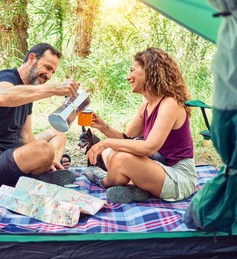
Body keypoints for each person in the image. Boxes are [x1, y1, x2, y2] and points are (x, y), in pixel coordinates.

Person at [84, 47, 197, 204]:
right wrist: (103, 126)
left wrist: (104, 142)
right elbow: (127, 139)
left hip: (179, 177)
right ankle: (137, 188)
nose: (128, 77)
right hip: (158, 166)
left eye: (132, 70)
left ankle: (104, 180)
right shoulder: (146, 105)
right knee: (111, 152)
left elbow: (149, 147)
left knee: (121, 158)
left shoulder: (170, 103)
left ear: (150, 71)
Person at [0, 43, 79, 187]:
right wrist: (53, 89)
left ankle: (52, 169)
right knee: (45, 150)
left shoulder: (28, 91)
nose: (49, 76)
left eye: (53, 72)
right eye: (47, 68)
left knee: (58, 134)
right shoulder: (5, 77)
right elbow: (2, 97)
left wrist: (44, 159)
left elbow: (25, 136)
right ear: (32, 58)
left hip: (11, 153)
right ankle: (44, 172)